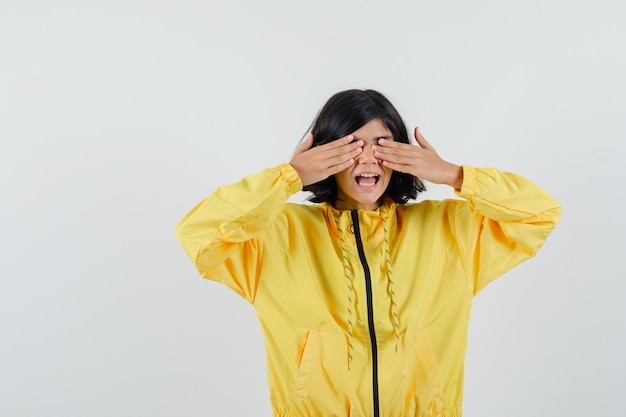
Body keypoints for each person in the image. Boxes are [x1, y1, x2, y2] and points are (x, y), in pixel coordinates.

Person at [175, 89, 562, 417]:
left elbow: (540, 214)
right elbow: (199, 232)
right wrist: (287, 177)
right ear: (325, 154)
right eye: (350, 146)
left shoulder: (448, 230)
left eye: (381, 145)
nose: (367, 158)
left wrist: (455, 175)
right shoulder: (278, 235)